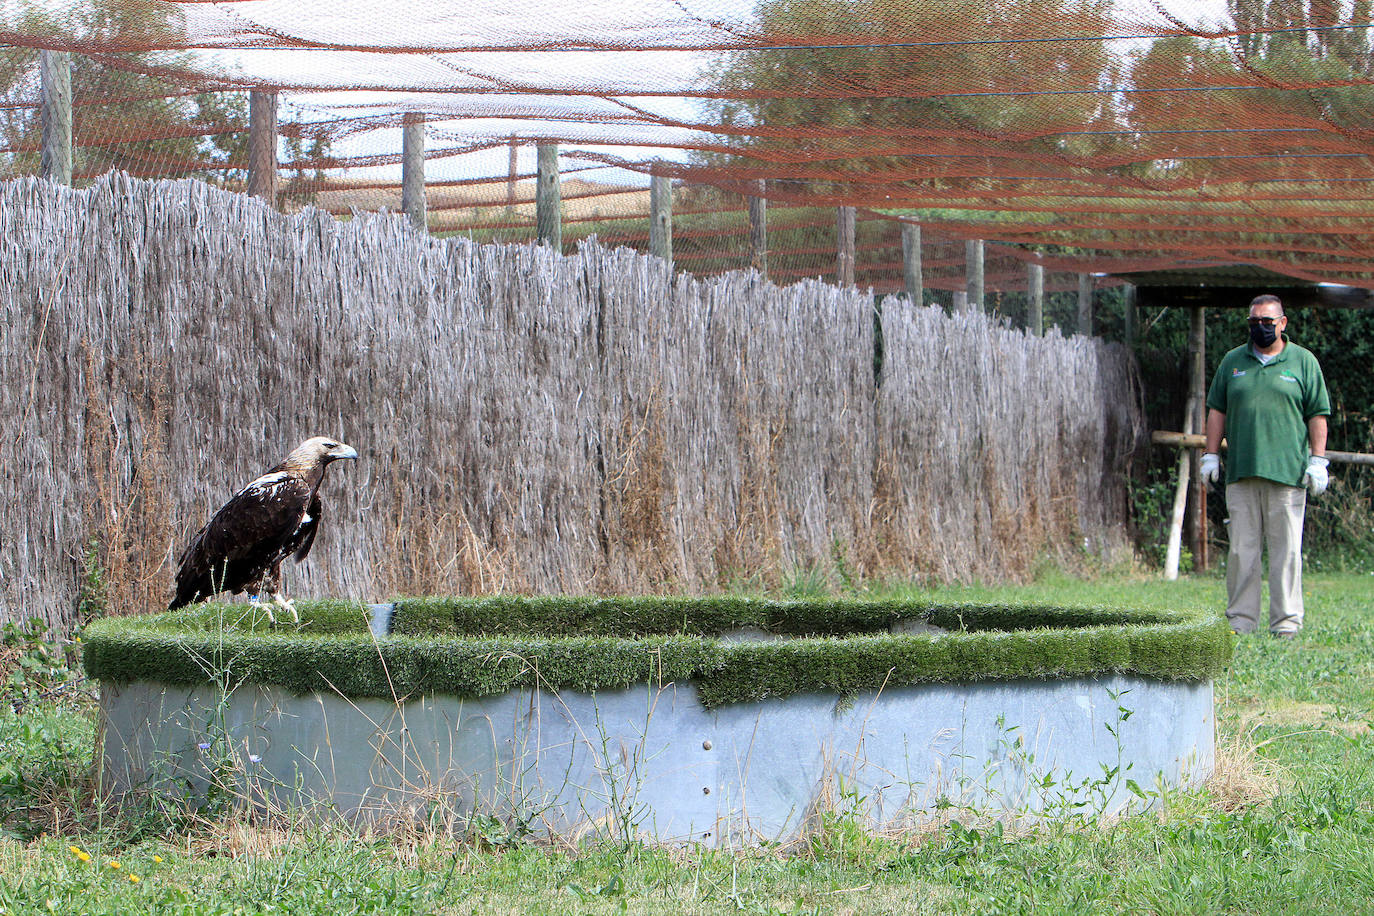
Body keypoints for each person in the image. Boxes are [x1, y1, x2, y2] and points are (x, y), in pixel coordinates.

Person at [1201, 293, 1330, 638]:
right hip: (1242, 473)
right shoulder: (1233, 362)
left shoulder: (1303, 362)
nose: (1260, 327)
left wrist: (1318, 461)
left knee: (1286, 553)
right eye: (1254, 322)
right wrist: (1210, 455)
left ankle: (1286, 625)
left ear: (1282, 323)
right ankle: (1241, 622)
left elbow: (1317, 413)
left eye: (1267, 322)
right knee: (1243, 552)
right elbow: (1217, 410)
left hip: (1288, 475)